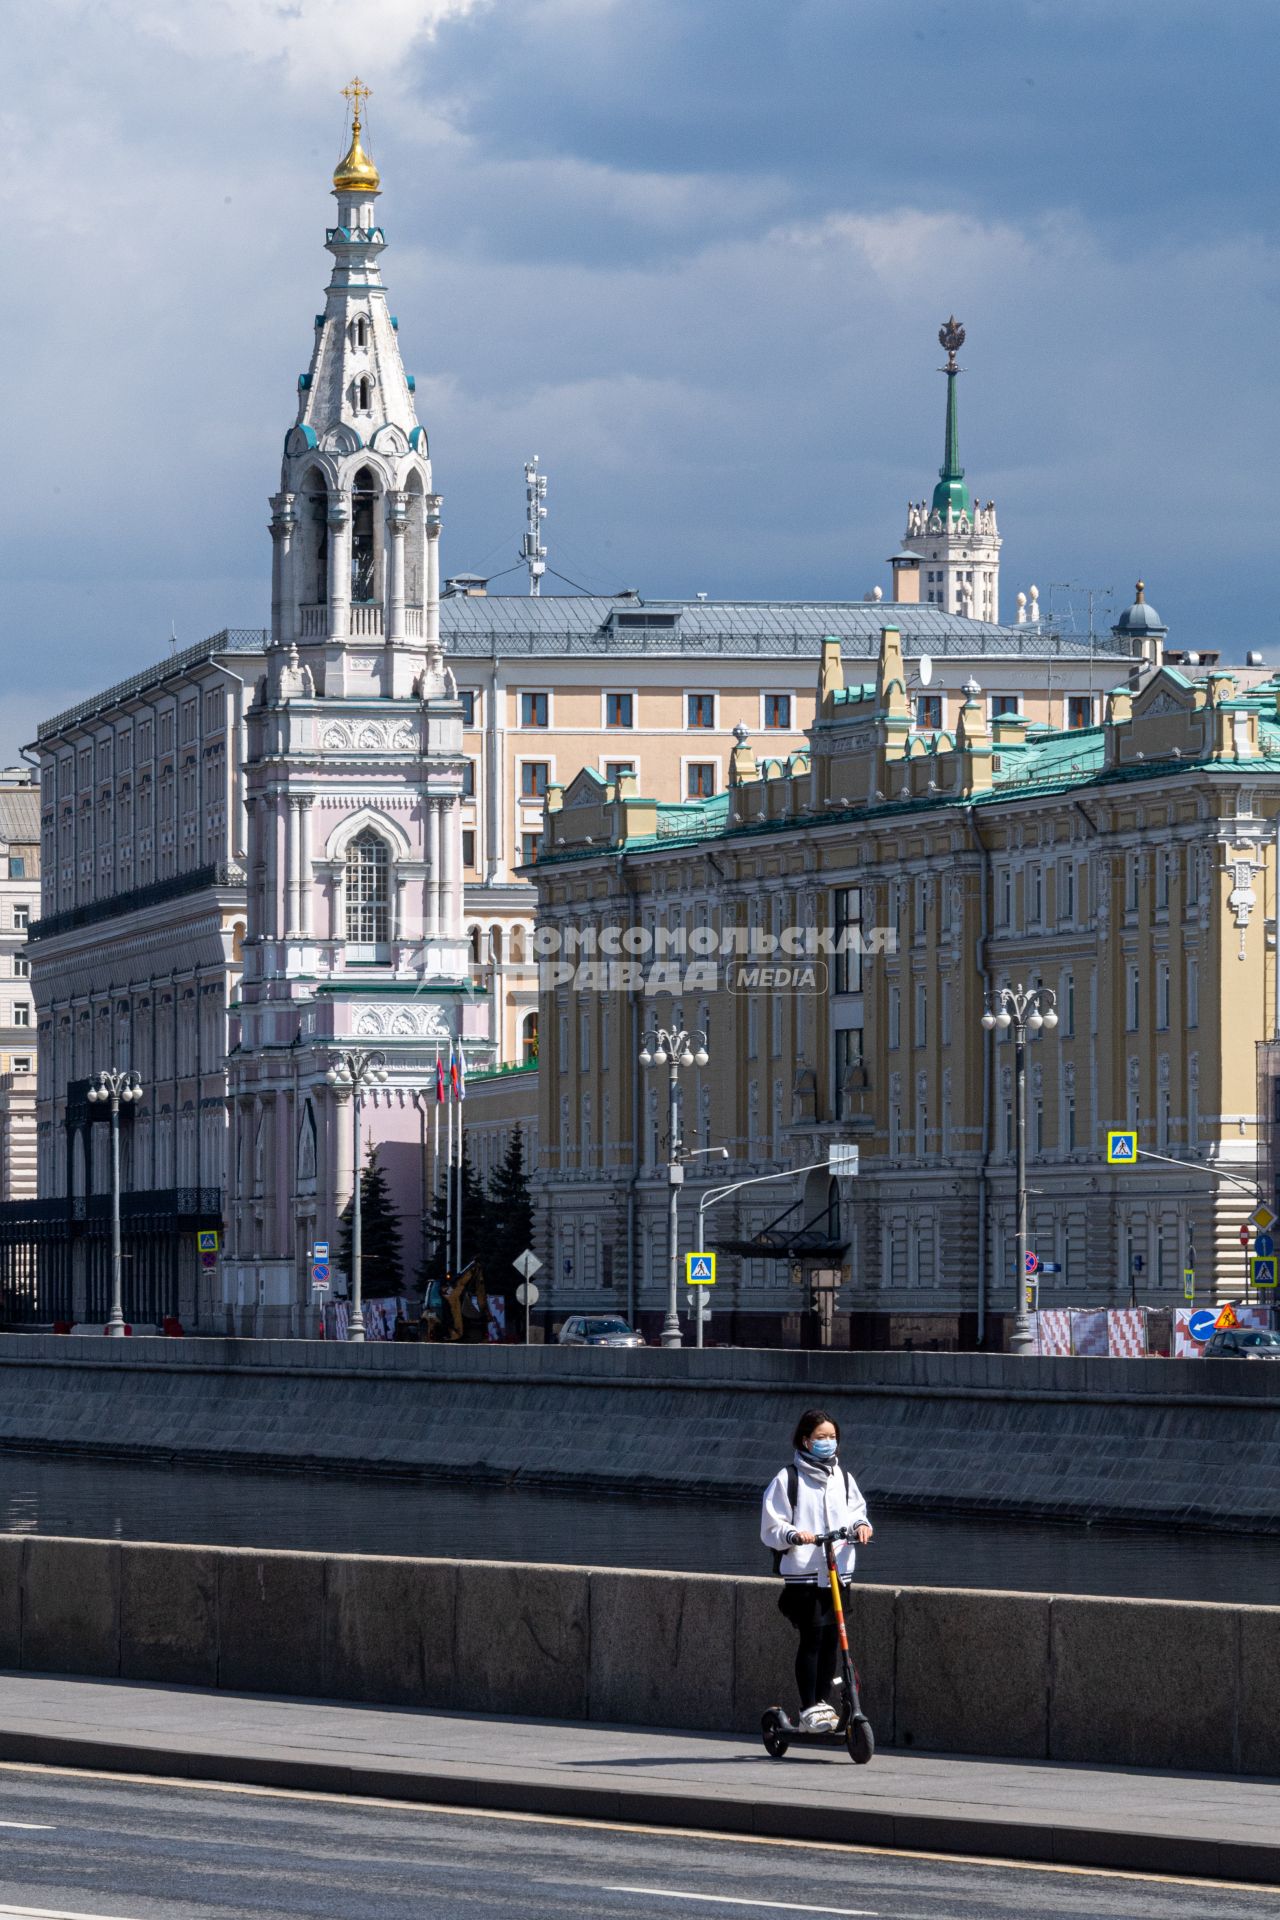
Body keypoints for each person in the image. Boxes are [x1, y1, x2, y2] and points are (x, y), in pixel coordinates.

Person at [760, 1408, 873, 1732]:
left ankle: (824, 1703)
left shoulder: (843, 1478)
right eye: (820, 1437)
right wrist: (793, 1534)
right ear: (805, 1440)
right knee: (811, 1638)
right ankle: (809, 1706)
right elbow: (772, 1523)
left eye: (832, 1437)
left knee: (831, 1640)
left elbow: (856, 1511)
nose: (827, 1443)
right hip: (805, 1571)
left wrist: (862, 1526)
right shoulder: (788, 1479)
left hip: (837, 1569)